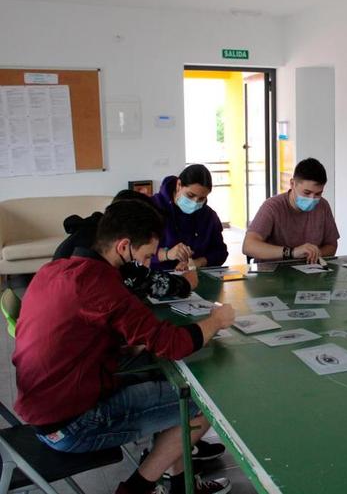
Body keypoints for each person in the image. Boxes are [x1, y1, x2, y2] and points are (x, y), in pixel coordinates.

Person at [13, 200, 236, 494]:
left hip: (44, 405)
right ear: (123, 247)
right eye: (145, 256)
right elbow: (172, 343)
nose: (146, 265)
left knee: (164, 378)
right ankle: (136, 488)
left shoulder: (56, 269)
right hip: (71, 425)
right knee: (208, 402)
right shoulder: (102, 285)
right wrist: (216, 321)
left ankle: (182, 483)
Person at [54, 189, 195, 300]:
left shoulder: (98, 232)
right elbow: (142, 279)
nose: (147, 263)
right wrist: (185, 284)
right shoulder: (99, 247)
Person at [243, 158, 339, 263]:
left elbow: (331, 245)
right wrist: (292, 252)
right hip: (274, 274)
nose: (312, 199)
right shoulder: (272, 207)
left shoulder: (323, 206)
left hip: (309, 271)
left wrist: (316, 253)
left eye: (318, 194)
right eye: (307, 193)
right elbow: (248, 246)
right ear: (292, 184)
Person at [151, 164, 228, 271]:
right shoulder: (150, 209)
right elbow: (134, 252)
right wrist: (166, 254)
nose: (195, 202)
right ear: (178, 185)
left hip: (195, 276)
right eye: (190, 195)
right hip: (156, 276)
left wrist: (198, 262)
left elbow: (220, 252)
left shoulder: (209, 216)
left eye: (201, 198)